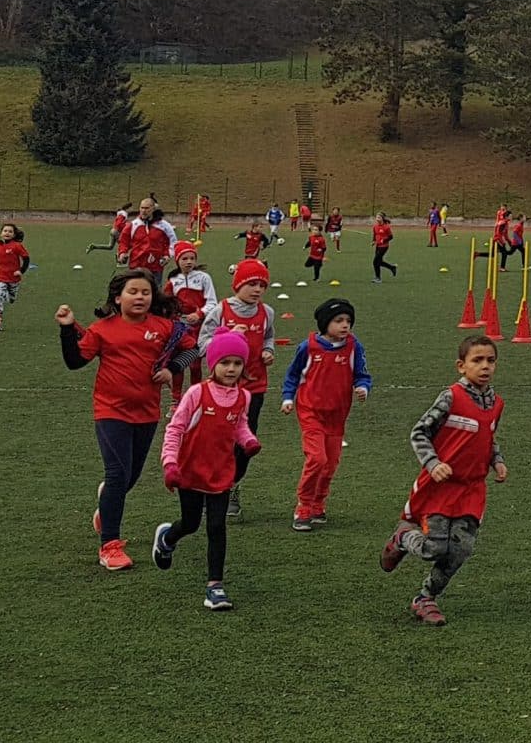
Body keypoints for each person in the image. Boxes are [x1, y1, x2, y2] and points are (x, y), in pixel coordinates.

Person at [58, 270, 184, 570]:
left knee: (129, 478)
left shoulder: (165, 328)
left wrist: (173, 369)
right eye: (133, 292)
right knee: (117, 474)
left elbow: (192, 349)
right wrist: (66, 329)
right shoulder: (102, 330)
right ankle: (109, 546)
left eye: (145, 292)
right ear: (118, 298)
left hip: (147, 413)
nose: (140, 297)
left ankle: (106, 507)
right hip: (110, 411)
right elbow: (75, 362)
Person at [381, 335, 508, 626]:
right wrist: (433, 462)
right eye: (477, 360)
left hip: (472, 490)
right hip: (440, 487)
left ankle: (425, 599)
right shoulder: (451, 396)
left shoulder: (497, 404)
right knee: (434, 549)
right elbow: (419, 432)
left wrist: (497, 461)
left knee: (461, 551)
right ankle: (402, 537)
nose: (485, 366)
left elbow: (488, 438)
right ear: (461, 366)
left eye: (490, 360)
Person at [153, 330, 263, 611]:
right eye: (225, 362)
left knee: (217, 526)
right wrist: (170, 464)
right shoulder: (197, 393)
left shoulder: (244, 397)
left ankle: (215, 586)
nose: (231, 369)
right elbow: (175, 428)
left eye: (237, 363)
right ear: (213, 364)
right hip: (190, 470)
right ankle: (167, 538)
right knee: (190, 524)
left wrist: (248, 440)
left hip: (220, 472)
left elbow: (238, 425)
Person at [282, 296, 372, 530]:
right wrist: (287, 398)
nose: (345, 325)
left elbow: (362, 374)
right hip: (310, 410)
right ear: (325, 324)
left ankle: (319, 502)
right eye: (339, 320)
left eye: (348, 321)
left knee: (330, 463)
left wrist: (362, 387)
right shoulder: (308, 347)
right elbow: (293, 375)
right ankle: (303, 505)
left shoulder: (354, 346)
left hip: (337, 414)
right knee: (317, 458)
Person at [201, 259, 277, 517]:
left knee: (246, 442)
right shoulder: (220, 311)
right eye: (251, 284)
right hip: (221, 388)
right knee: (217, 439)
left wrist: (268, 350)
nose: (257, 290)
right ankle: (209, 486)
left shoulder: (267, 312)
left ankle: (232, 484)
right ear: (238, 285)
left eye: (261, 285)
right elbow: (202, 345)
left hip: (254, 387)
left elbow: (268, 336)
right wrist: (228, 336)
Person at [0, 224, 31, 332]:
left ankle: (10, 296)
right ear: (1, 233)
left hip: (14, 279)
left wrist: (20, 271)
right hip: (1, 277)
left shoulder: (17, 246)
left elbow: (26, 259)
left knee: (11, 299)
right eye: (5, 231)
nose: (7, 233)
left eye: (10, 231)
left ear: (14, 234)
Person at [371, 213, 397, 281]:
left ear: (382, 218)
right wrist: (373, 241)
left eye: (379, 217)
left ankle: (378, 278)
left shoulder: (386, 227)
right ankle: (392, 267)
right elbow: (375, 234)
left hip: (384, 246)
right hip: (378, 246)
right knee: (379, 261)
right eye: (376, 217)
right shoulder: (375, 226)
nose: (377, 219)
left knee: (375, 262)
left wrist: (384, 240)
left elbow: (391, 237)